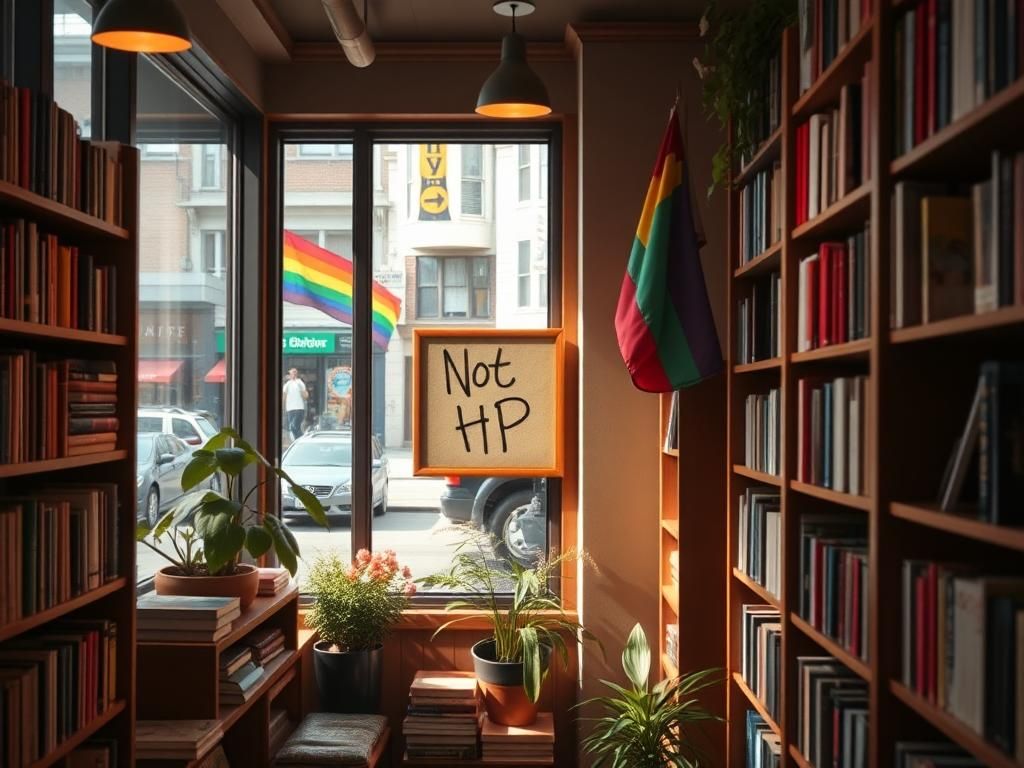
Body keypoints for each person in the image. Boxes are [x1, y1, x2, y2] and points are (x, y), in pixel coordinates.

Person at [282, 368, 308, 440]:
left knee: (294, 426)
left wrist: (303, 393)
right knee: (293, 427)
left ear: (296, 374)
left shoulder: (300, 383)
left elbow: (305, 395)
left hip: (299, 408)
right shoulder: (287, 384)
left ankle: (301, 439)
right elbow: (284, 395)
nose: (292, 374)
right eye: (291, 373)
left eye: (294, 372)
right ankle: (299, 440)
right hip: (290, 409)